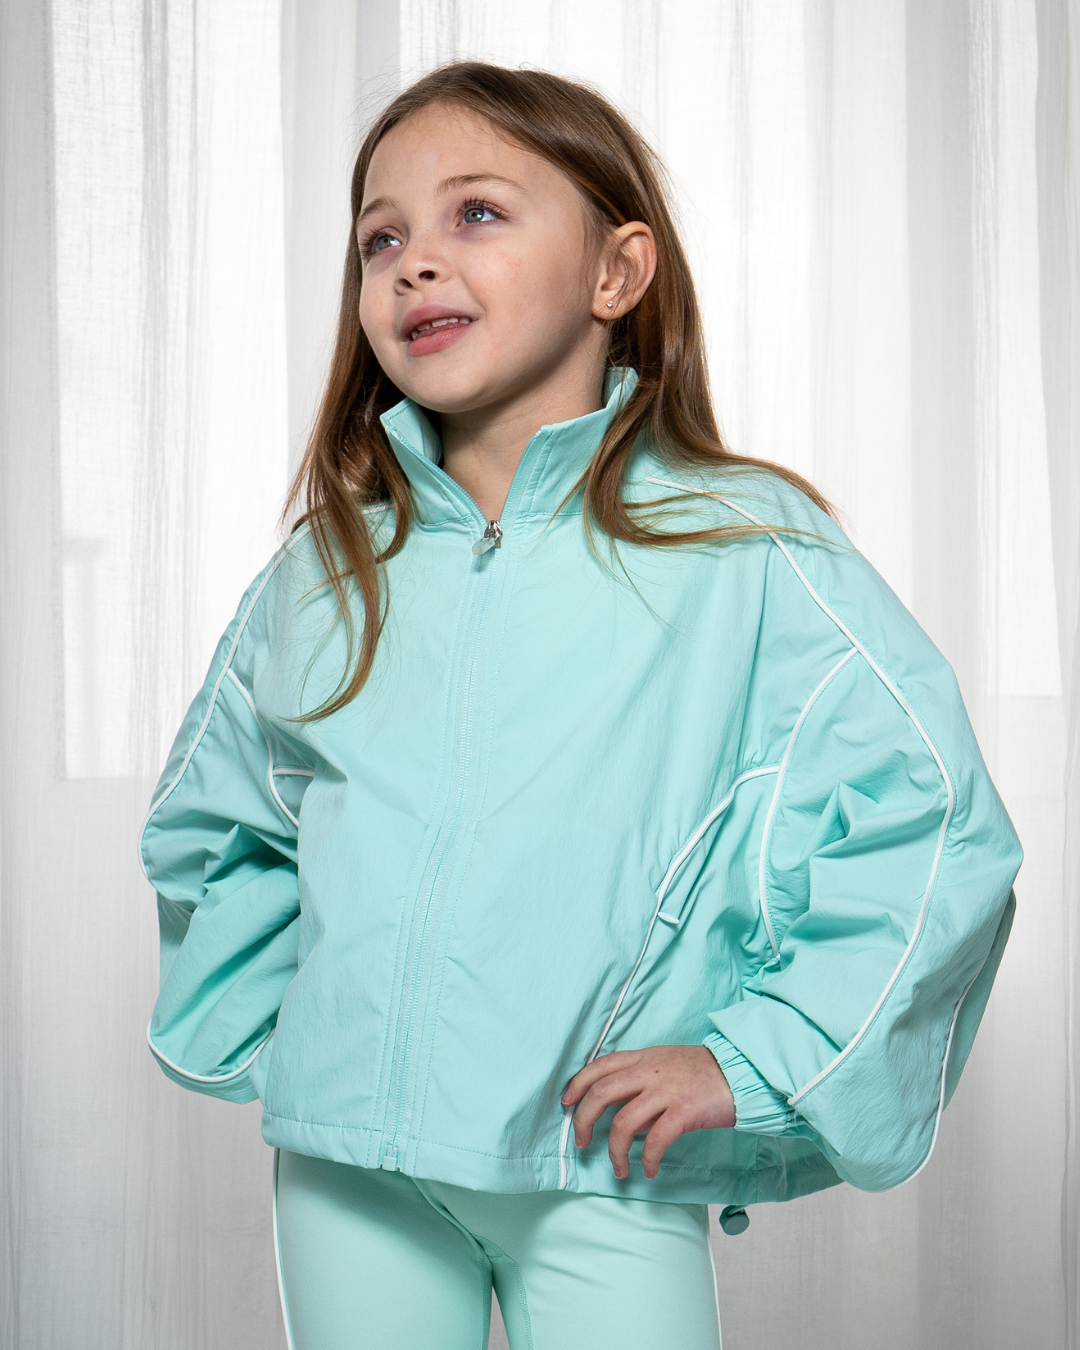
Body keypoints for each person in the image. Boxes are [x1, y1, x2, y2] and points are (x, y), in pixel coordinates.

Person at [140, 61, 1022, 1350]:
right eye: (380, 236)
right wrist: (313, 1038)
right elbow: (217, 826)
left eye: (476, 213)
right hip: (350, 1176)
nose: (414, 261)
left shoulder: (741, 548)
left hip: (598, 1162)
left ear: (618, 273)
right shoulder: (324, 572)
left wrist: (753, 1057)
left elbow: (930, 821)